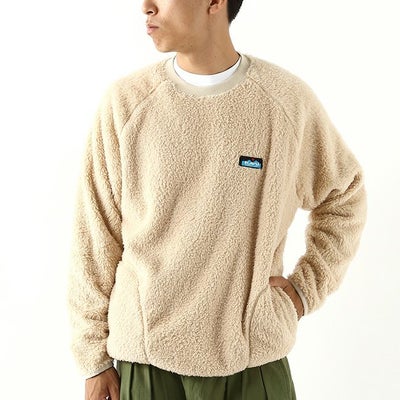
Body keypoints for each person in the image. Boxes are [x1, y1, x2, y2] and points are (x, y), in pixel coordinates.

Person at [67, 0, 367, 399]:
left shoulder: (285, 102)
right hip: (146, 364)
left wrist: (303, 290)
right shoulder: (126, 103)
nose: (146, 6)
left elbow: (343, 194)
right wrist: (94, 357)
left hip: (253, 364)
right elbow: (95, 235)